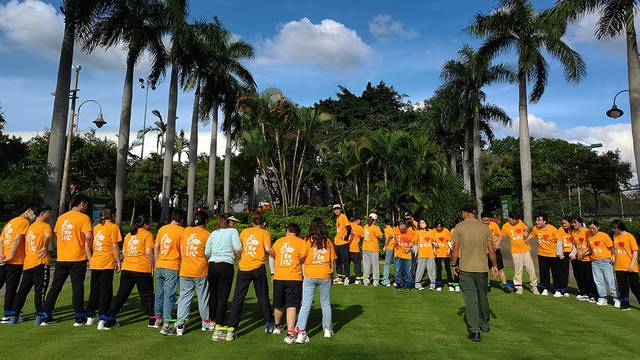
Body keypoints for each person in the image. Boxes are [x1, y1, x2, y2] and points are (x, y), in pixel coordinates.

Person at [42, 194, 93, 326]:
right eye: (86, 204)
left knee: (55, 287)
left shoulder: (61, 218)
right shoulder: (84, 218)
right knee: (77, 288)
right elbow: (88, 236)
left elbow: (57, 235)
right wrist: (90, 248)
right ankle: (79, 318)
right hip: (77, 258)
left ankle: (46, 315)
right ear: (82, 204)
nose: (86, 207)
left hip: (62, 258)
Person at [451, 203, 499, 342]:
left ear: (465, 213)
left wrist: (454, 264)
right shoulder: (485, 227)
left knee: (471, 299)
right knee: (483, 296)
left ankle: (475, 330)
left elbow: (455, 249)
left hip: (466, 268)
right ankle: (484, 324)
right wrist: (494, 265)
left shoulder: (459, 227)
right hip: (482, 268)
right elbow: (491, 250)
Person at [102, 214, 155, 330]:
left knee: (121, 294)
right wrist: (152, 266)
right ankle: (153, 319)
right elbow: (148, 252)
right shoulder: (147, 235)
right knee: (146, 295)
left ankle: (109, 319)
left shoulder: (129, 235)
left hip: (127, 268)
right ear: (145, 224)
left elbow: (124, 252)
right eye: (149, 223)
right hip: (141, 268)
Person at [227, 211, 274, 340]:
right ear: (263, 223)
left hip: (243, 267)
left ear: (252, 222)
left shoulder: (244, 232)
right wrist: (277, 255)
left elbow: (238, 249)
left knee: (238, 298)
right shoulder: (265, 233)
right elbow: (268, 249)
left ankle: (232, 328)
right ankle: (269, 323)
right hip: (258, 267)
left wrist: (241, 256)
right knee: (263, 296)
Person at [295, 218, 336, 344]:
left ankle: (301, 333)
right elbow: (333, 261)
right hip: (325, 274)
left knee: (306, 305)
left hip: (310, 275)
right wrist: (331, 274)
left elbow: (301, 257)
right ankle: (327, 330)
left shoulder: (307, 241)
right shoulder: (328, 242)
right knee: (325, 303)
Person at [9, 205, 52, 325]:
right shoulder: (45, 226)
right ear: (42, 213)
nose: (50, 215)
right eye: (49, 212)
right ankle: (40, 316)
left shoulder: (30, 227)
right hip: (40, 262)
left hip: (28, 263)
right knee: (40, 290)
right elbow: (48, 236)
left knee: (22, 290)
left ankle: (14, 315)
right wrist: (45, 246)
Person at [174, 211, 212, 336]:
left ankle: (180, 324)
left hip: (185, 269)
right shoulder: (207, 235)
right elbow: (208, 254)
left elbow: (181, 249)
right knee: (203, 297)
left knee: (184, 297)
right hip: (200, 270)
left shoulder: (186, 231)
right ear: (205, 221)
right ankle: (205, 322)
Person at [205, 214, 242, 342]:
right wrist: (237, 253)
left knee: (214, 294)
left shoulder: (214, 233)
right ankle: (218, 327)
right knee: (223, 296)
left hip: (213, 264)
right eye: (233, 222)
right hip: (225, 265)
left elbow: (207, 252)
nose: (234, 224)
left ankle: (212, 320)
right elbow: (238, 248)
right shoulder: (233, 232)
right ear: (229, 222)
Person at [269, 223, 306, 344]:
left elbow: (271, 256)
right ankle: (290, 331)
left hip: (279, 276)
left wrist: (272, 273)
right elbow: (303, 260)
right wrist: (304, 275)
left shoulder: (279, 241)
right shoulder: (301, 242)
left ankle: (277, 326)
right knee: (291, 304)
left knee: (278, 303)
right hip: (294, 277)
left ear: (287, 231)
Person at [86, 206, 122, 329]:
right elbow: (115, 246)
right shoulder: (113, 227)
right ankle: (103, 317)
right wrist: (118, 261)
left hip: (95, 262)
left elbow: (88, 244)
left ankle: (90, 316)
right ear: (112, 215)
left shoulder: (96, 227)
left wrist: (90, 259)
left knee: (95, 290)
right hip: (106, 262)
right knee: (105, 291)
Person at [0, 205, 34, 324]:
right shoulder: (24, 222)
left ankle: (9, 313)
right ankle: (8, 314)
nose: (33, 215)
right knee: (11, 287)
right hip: (15, 261)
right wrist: (10, 256)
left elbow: (1, 239)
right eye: (32, 212)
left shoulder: (11, 222)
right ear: (28, 211)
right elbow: (18, 239)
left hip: (3, 260)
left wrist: (1, 254)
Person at [154, 211, 185, 334]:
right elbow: (182, 250)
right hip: (172, 265)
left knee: (159, 293)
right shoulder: (181, 231)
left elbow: (156, 246)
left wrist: (156, 262)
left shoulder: (162, 229)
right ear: (181, 220)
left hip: (160, 264)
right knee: (169, 295)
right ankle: (167, 324)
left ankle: (158, 318)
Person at [501, 211, 538, 295]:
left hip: (525, 250)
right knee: (518, 270)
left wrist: (526, 232)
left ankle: (534, 286)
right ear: (508, 217)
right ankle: (518, 287)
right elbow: (500, 236)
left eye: (516, 219)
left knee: (530, 268)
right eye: (512, 219)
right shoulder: (505, 226)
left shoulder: (520, 222)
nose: (514, 221)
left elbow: (527, 228)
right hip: (515, 252)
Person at [586, 220, 619, 307]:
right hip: (595, 261)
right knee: (598, 281)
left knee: (610, 280)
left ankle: (616, 298)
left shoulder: (604, 235)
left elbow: (612, 247)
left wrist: (613, 256)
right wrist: (582, 253)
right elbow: (590, 249)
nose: (592, 230)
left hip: (606, 261)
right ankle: (602, 297)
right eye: (590, 228)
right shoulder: (589, 237)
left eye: (593, 228)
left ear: (598, 227)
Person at [527, 214, 560, 296]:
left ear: (545, 221)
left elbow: (559, 240)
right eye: (536, 220)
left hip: (553, 255)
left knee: (555, 273)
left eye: (539, 220)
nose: (537, 222)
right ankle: (545, 288)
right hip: (541, 254)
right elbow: (532, 235)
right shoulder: (536, 228)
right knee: (543, 273)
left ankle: (558, 290)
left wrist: (560, 252)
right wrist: (526, 239)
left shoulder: (552, 229)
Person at [610, 219, 640, 311]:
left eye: (614, 228)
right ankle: (625, 304)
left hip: (631, 267)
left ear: (618, 228)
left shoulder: (629, 236)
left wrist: (632, 265)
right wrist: (613, 256)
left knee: (635, 287)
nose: (613, 230)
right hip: (619, 266)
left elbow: (635, 251)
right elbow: (615, 249)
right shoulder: (615, 236)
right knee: (622, 287)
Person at [572, 216, 597, 302]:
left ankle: (593, 295)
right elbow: (575, 245)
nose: (573, 224)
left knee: (589, 277)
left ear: (580, 223)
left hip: (588, 259)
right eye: (573, 222)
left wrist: (583, 253)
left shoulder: (587, 231)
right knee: (581, 277)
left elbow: (591, 246)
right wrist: (574, 253)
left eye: (575, 222)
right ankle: (584, 293)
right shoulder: (574, 233)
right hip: (579, 259)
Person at [481, 215, 510, 293]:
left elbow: (500, 236)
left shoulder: (494, 225)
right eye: (483, 220)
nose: (485, 222)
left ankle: (505, 286)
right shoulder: (479, 227)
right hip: (485, 251)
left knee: (500, 268)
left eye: (487, 220)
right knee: (487, 268)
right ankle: (487, 284)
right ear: (481, 219)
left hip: (495, 250)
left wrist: (497, 242)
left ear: (489, 219)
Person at [555, 216, 575, 297]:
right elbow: (559, 242)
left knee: (577, 272)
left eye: (565, 223)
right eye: (562, 223)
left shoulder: (573, 230)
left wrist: (574, 252)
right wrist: (560, 253)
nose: (564, 225)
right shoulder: (560, 230)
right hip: (564, 253)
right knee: (563, 271)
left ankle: (583, 291)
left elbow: (576, 242)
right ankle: (563, 289)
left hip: (573, 252)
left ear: (570, 223)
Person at [413, 220, 436, 291]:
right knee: (420, 269)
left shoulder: (431, 231)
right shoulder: (417, 232)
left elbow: (433, 241)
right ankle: (417, 284)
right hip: (421, 254)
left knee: (431, 269)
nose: (421, 224)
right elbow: (414, 243)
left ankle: (432, 284)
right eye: (420, 223)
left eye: (422, 222)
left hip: (430, 253)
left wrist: (435, 246)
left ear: (426, 223)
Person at [332, 204, 351, 285]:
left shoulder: (343, 216)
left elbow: (349, 227)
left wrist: (346, 237)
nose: (336, 210)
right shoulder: (337, 218)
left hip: (343, 243)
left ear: (341, 210)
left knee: (345, 260)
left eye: (338, 209)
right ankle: (339, 276)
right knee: (338, 260)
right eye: (335, 209)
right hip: (337, 243)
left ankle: (346, 277)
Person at [362, 213, 383, 286]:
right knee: (375, 266)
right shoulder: (375, 227)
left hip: (365, 248)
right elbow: (380, 237)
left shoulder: (365, 226)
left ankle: (366, 281)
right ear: (375, 220)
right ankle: (375, 282)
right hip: (373, 249)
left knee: (366, 266)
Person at [433, 219, 453, 292]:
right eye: (437, 227)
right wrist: (433, 244)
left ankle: (450, 284)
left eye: (440, 227)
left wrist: (449, 250)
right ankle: (438, 284)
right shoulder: (433, 231)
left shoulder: (446, 231)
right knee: (439, 269)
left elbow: (449, 241)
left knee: (448, 269)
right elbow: (431, 240)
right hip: (437, 253)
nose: (439, 229)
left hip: (446, 253)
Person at [393, 222, 414, 290]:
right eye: (401, 229)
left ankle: (408, 284)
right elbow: (390, 236)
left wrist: (409, 248)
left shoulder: (410, 232)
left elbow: (413, 242)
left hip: (407, 255)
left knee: (407, 270)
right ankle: (399, 283)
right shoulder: (395, 231)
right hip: (398, 254)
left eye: (404, 229)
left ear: (406, 228)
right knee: (397, 270)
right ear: (398, 228)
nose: (403, 231)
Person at [348, 217, 363, 284]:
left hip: (347, 248)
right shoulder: (359, 227)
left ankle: (346, 278)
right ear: (357, 220)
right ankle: (358, 278)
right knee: (357, 264)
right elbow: (363, 235)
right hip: (355, 249)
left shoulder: (348, 225)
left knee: (347, 264)